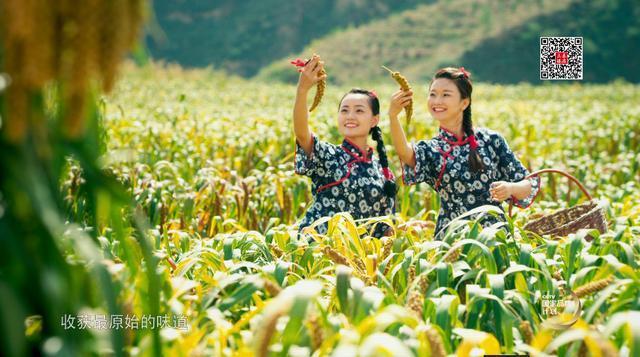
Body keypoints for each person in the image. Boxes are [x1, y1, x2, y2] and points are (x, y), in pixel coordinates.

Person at [388, 66, 540, 238]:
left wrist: (510, 188)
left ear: (464, 102)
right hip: (452, 239)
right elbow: (406, 154)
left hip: (495, 239)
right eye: (433, 94)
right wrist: (393, 117)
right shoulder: (433, 149)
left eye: (446, 94)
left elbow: (529, 185)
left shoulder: (491, 140)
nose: (437, 101)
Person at [293, 55, 396, 238]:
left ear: (374, 120)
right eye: (344, 110)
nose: (350, 116)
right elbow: (302, 133)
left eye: (359, 110)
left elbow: (386, 228)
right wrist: (303, 90)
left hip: (359, 260)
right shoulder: (329, 155)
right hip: (320, 254)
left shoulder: (384, 171)